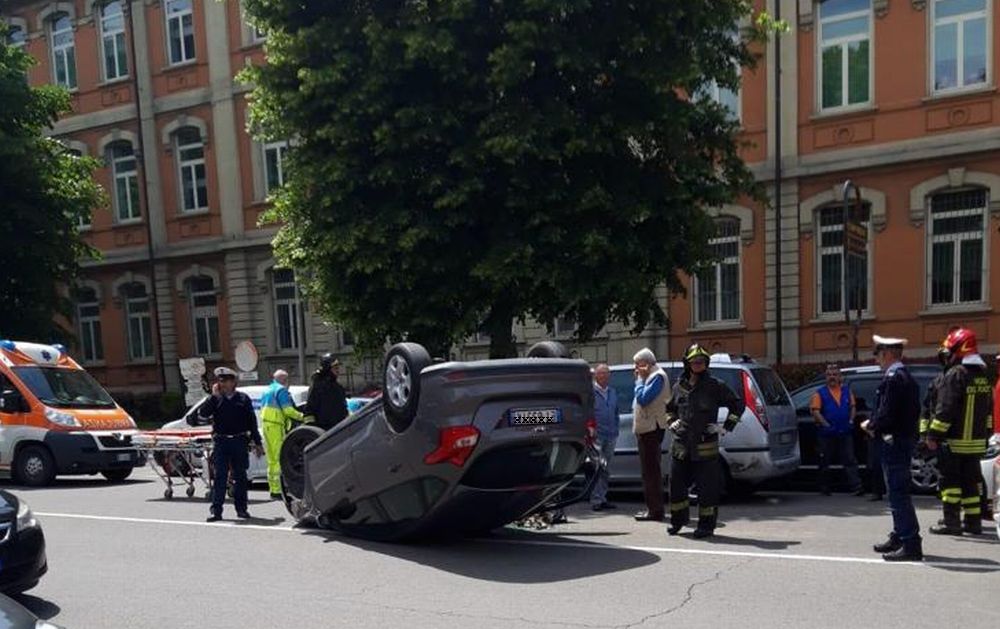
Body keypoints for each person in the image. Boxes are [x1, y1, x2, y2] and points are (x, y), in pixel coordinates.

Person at [665, 344, 745, 538]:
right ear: (688, 364)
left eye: (702, 362)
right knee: (676, 488)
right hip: (681, 446)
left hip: (705, 448)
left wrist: (725, 427)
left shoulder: (715, 386)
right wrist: (672, 421)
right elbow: (669, 408)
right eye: (695, 362)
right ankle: (678, 521)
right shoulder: (679, 386)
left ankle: (706, 526)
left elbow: (737, 404)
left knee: (707, 490)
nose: (698, 365)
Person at [925, 328, 992, 536]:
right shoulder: (983, 375)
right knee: (971, 484)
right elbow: (989, 410)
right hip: (977, 443)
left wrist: (934, 435)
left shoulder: (956, 374)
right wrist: (986, 435)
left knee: (950, 483)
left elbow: (945, 409)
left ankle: (950, 522)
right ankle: (973, 523)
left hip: (954, 442)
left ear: (958, 349)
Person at [862, 335, 922, 561]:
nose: (876, 359)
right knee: (896, 492)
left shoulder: (894, 379)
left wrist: (871, 425)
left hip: (893, 442)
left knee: (897, 493)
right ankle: (900, 536)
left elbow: (887, 414)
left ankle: (910, 543)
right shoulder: (905, 377)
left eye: (877, 354)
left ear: (886, 354)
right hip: (900, 440)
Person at [194, 367, 264, 522]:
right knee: (220, 477)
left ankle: (241, 509)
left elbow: (252, 423)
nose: (223, 384)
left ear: (234, 382)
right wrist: (213, 397)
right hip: (222, 442)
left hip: (239, 441)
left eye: (226, 380)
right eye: (221, 381)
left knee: (241, 477)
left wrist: (258, 443)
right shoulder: (216, 399)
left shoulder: (243, 399)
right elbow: (203, 414)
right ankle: (216, 511)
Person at [632, 348, 671, 522]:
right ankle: (653, 508)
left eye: (638, 365)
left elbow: (643, 399)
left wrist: (639, 380)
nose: (636, 368)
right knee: (649, 471)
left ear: (646, 364)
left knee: (651, 471)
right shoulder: (652, 376)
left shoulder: (656, 377)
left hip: (651, 428)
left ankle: (655, 511)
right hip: (648, 428)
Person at [810, 364, 861, 496]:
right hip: (827, 433)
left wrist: (850, 421)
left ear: (840, 377)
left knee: (850, 460)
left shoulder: (846, 391)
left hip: (845, 431)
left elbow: (853, 407)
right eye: (829, 375)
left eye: (834, 375)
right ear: (826, 377)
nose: (832, 377)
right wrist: (826, 425)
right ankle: (824, 488)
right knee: (825, 461)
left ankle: (856, 487)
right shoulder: (819, 393)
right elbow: (815, 412)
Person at [260, 369, 303, 499]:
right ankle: (280, 490)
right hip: (276, 425)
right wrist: (303, 417)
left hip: (266, 426)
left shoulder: (267, 390)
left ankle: (274, 489)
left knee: (272, 460)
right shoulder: (281, 390)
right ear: (285, 380)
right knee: (279, 458)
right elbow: (288, 410)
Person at [590, 364, 619, 511]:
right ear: (596, 376)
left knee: (606, 468)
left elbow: (616, 412)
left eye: (607, 374)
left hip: (611, 435)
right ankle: (596, 500)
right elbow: (588, 414)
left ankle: (603, 498)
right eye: (601, 374)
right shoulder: (591, 393)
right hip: (597, 436)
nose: (604, 376)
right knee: (598, 467)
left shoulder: (612, 392)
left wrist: (616, 429)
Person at [304, 353, 348, 430]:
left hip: (339, 430)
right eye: (335, 368)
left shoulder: (338, 387)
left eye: (338, 368)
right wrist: (313, 431)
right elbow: (309, 411)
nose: (338, 371)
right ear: (327, 369)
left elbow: (343, 409)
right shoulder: (317, 387)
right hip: (324, 432)